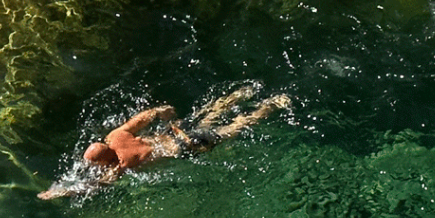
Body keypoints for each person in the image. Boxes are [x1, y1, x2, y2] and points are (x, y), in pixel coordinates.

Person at [38, 86, 291, 199]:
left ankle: (270, 105)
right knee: (211, 113)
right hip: (176, 130)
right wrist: (161, 111)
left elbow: (96, 186)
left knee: (235, 127)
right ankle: (240, 94)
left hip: (188, 146)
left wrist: (62, 191)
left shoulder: (121, 165)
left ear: (105, 160)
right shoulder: (116, 136)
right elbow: (144, 117)